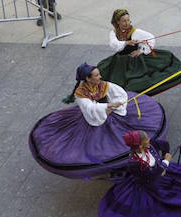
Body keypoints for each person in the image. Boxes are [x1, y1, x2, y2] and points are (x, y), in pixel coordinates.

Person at [28, 64, 167, 179]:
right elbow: (88, 108)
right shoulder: (80, 94)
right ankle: (120, 165)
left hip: (112, 114)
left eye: (99, 74)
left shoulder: (103, 85)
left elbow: (118, 93)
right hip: (95, 120)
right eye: (96, 75)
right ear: (88, 79)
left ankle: (129, 162)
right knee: (102, 144)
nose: (100, 77)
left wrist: (116, 104)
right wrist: (107, 107)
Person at [82, 9, 181, 98]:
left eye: (128, 20)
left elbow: (150, 38)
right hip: (120, 60)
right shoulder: (113, 33)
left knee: (135, 80)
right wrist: (126, 42)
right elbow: (114, 44)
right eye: (123, 21)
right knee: (107, 74)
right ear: (118, 22)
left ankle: (132, 97)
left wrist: (141, 50)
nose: (127, 23)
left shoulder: (135, 32)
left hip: (134, 61)